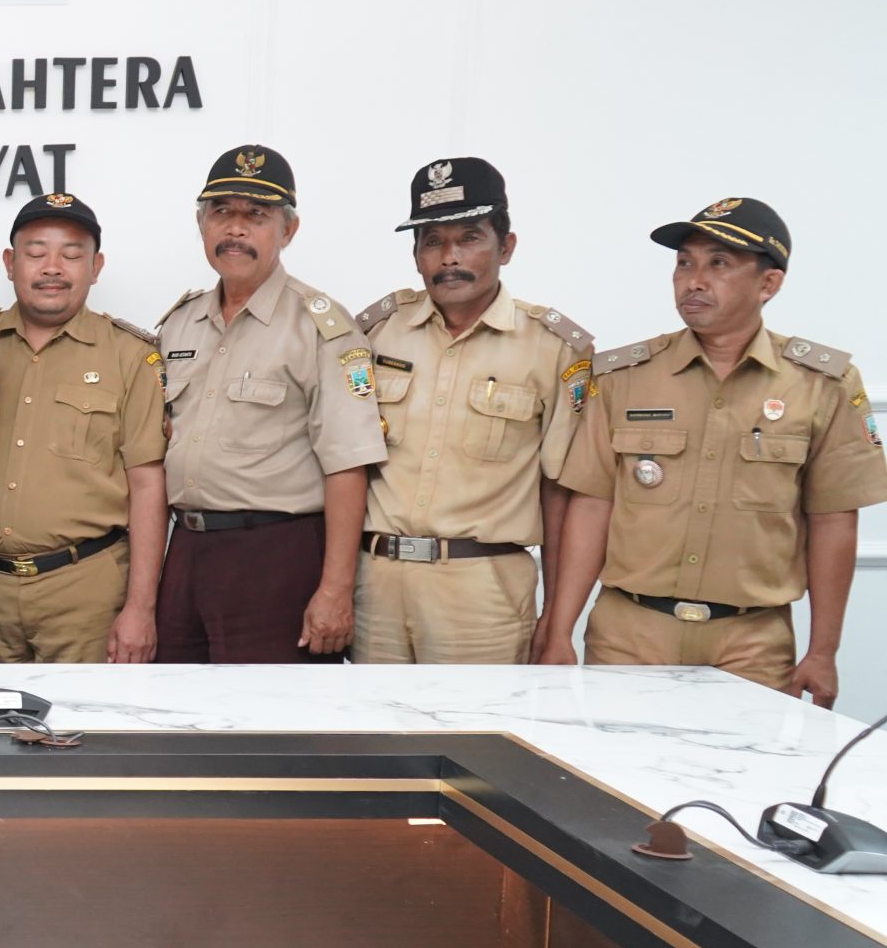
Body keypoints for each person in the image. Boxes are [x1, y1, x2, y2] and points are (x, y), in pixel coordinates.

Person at [545, 197, 886, 702]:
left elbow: (834, 519)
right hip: (629, 637)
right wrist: (558, 631)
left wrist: (823, 651)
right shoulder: (624, 378)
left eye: (718, 264)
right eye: (685, 263)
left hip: (751, 645)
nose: (694, 281)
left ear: (769, 284)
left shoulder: (822, 385)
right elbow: (593, 506)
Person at [351, 159, 592, 664]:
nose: (449, 258)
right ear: (416, 254)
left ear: (506, 247)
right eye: (432, 241)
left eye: (469, 238)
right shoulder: (375, 334)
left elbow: (561, 494)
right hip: (376, 582)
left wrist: (557, 620)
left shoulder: (553, 350)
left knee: (477, 718)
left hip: (482, 591)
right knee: (372, 718)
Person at [155, 146, 386, 663]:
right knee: (171, 706)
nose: (235, 230)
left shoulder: (320, 327)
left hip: (276, 555)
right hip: (187, 549)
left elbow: (349, 464)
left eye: (256, 216)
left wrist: (335, 590)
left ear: (288, 230)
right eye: (221, 212)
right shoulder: (179, 324)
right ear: (201, 224)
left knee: (267, 711)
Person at [0, 192, 168, 665]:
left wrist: (141, 608)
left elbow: (148, 485)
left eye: (72, 255)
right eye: (36, 253)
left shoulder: (131, 356)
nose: (52, 268)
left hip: (86, 590)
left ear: (96, 267)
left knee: (85, 714)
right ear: (10, 263)